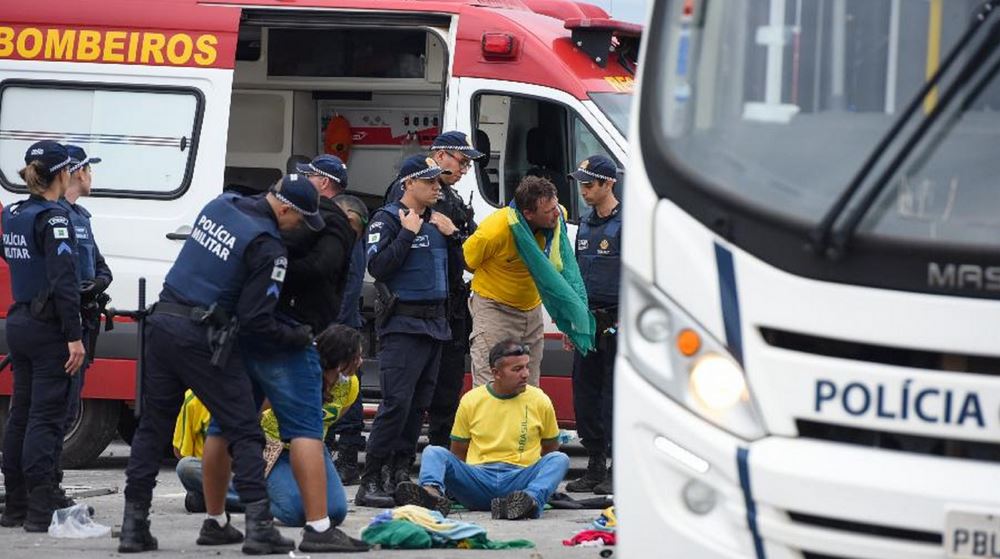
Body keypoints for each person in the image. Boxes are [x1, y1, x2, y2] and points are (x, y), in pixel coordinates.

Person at [118, 174, 322, 555]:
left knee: (151, 429)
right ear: (285, 207)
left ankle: (134, 526)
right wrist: (297, 337)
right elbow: (256, 320)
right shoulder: (268, 246)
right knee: (245, 431)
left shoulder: (220, 205)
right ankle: (259, 529)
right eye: (301, 219)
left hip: (161, 324)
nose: (299, 229)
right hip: (202, 337)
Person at [200, 157, 355, 553]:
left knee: (225, 424)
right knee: (304, 426)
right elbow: (325, 266)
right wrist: (277, 266)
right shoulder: (326, 221)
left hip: (244, 325)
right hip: (286, 331)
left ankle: (215, 520)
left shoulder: (242, 211)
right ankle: (319, 531)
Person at [171, 325, 369, 552]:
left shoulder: (350, 386)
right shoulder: (298, 373)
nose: (361, 361)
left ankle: (225, 495)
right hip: (272, 450)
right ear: (339, 357)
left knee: (335, 511)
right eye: (357, 356)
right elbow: (248, 412)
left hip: (309, 449)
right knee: (294, 513)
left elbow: (325, 424)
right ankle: (237, 489)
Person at [354, 155, 464, 508]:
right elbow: (379, 267)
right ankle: (371, 476)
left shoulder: (439, 221)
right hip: (403, 325)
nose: (437, 188)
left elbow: (456, 272)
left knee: (419, 407)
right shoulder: (387, 219)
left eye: (438, 183)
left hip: (435, 324)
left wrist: (455, 236)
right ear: (408, 184)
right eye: (429, 182)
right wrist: (406, 233)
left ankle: (400, 471)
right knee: (396, 404)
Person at [0, 141, 85, 532]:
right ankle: (39, 510)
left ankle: (15, 505)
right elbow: (64, 279)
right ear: (62, 174)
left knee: (21, 415)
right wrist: (74, 335)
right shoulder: (54, 218)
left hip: (18, 320)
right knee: (45, 419)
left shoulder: (15, 213)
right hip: (49, 326)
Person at [394, 339, 570, 520]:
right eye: (517, 369)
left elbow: (550, 447)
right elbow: (458, 452)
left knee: (559, 459)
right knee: (434, 451)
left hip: (519, 481)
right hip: (478, 480)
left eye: (526, 367)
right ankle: (431, 495)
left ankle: (530, 501)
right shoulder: (472, 400)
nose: (525, 374)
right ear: (496, 373)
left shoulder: (539, 399)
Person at [53, 145, 114, 505]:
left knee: (69, 402)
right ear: (77, 172)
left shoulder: (81, 216)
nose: (93, 175)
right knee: (58, 408)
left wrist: (98, 284)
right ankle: (46, 486)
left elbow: (101, 266)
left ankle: (49, 484)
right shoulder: (55, 216)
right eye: (90, 169)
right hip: (65, 325)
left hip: (85, 320)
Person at [462, 177, 564, 386]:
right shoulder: (495, 230)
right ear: (528, 214)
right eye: (549, 211)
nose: (556, 214)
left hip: (531, 310)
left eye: (556, 206)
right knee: (490, 385)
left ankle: (523, 420)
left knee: (528, 385)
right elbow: (466, 261)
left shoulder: (557, 215)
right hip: (495, 309)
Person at [421, 131, 484, 450]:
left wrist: (457, 233)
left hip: (452, 302)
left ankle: (441, 452)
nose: (465, 169)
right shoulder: (416, 190)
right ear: (441, 154)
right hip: (428, 304)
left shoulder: (453, 198)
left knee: (448, 384)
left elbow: (472, 242)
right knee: (425, 388)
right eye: (462, 161)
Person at [563, 155, 621, 495]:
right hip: (587, 322)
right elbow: (575, 278)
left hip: (617, 320)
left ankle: (618, 464)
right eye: (581, 184)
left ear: (608, 183)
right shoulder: (584, 225)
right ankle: (595, 463)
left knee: (613, 396)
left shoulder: (627, 223)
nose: (584, 191)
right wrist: (573, 325)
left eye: (589, 184)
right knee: (585, 395)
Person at [327, 194, 370, 485]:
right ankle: (328, 450)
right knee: (327, 391)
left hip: (339, 326)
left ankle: (347, 457)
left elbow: (350, 286)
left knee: (346, 390)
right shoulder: (337, 235)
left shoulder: (348, 237)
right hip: (334, 324)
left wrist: (334, 331)